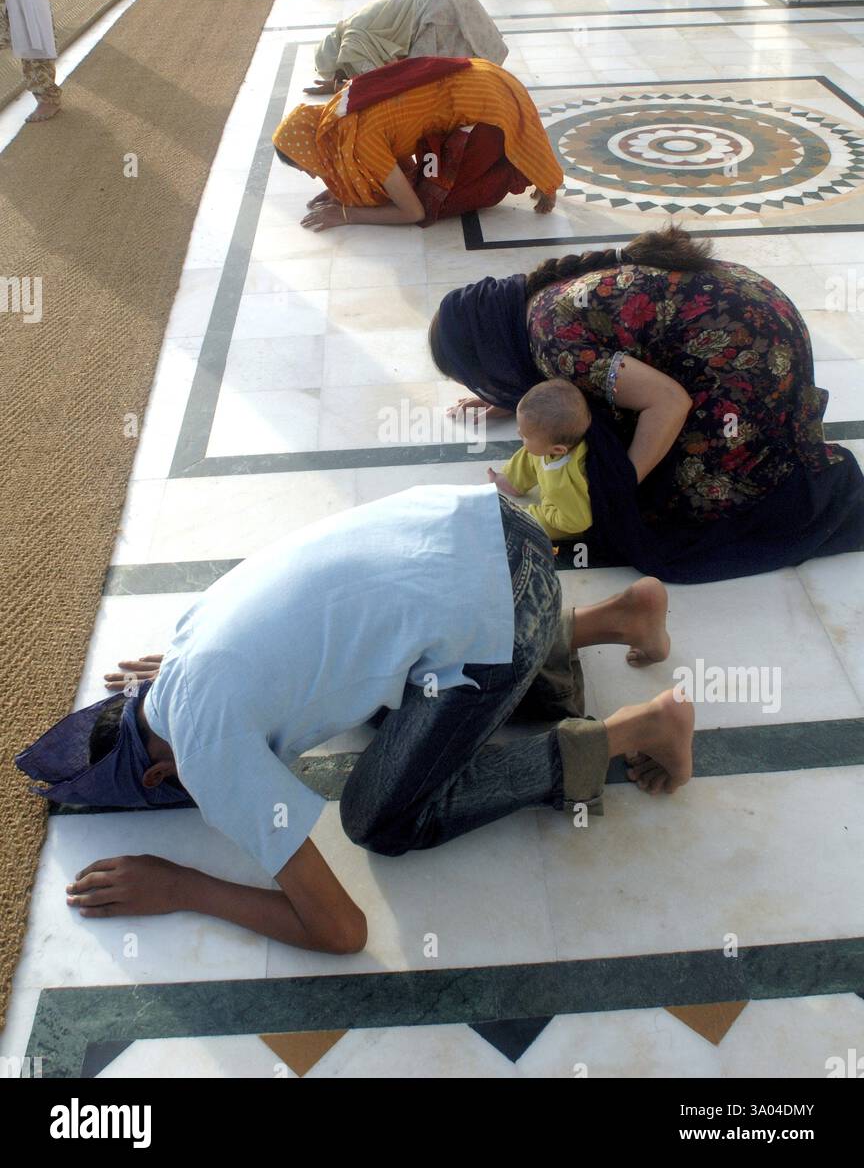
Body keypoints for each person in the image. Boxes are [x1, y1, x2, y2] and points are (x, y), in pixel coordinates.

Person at [17, 485, 692, 952]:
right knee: (379, 701)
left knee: (382, 817)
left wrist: (181, 886)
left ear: (165, 770)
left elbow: (341, 931)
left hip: (507, 600)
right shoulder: (187, 645)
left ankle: (636, 729)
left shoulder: (203, 753)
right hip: (487, 524)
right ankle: (616, 618)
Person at [428, 228, 864, 582]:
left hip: (749, 356)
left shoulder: (553, 342)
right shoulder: (538, 304)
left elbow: (669, 401)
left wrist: (621, 485)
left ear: (490, 351)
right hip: (757, 312)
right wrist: (509, 400)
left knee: (674, 506)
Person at [273, 56, 563, 229]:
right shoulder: (338, 113)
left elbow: (413, 212)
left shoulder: (360, 143)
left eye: (306, 166)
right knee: (427, 173)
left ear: (312, 147)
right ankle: (518, 162)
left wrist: (348, 214)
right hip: (482, 77)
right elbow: (405, 167)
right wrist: (342, 188)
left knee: (440, 202)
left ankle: (515, 170)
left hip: (485, 105)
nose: (313, 173)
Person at [306, 0, 508, 92]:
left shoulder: (351, 42)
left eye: (340, 73)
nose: (347, 73)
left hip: (436, 4)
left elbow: (379, 83)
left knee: (421, 79)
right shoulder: (351, 23)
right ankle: (488, 78)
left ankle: (481, 85)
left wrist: (339, 88)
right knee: (469, 39)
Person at [488, 379, 593, 540]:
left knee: (534, 524)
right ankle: (512, 479)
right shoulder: (551, 444)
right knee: (530, 453)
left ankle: (522, 517)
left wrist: (548, 510)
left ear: (558, 450)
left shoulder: (564, 483)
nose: (518, 433)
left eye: (525, 435)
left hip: (563, 514)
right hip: (549, 480)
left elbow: (579, 522)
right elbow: (532, 454)